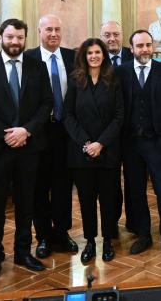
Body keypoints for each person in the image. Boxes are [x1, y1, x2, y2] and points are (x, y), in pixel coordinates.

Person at [0, 18, 53, 285]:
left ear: (25, 38)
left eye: (19, 37)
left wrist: (25, 131)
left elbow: (46, 104)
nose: (15, 42)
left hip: (29, 147)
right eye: (10, 37)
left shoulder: (37, 67)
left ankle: (22, 253)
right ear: (1, 37)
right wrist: (7, 133)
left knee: (26, 204)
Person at [115, 30, 161, 257]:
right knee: (136, 191)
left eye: (147, 45)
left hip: (158, 141)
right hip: (131, 143)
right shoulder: (121, 72)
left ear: (153, 46)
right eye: (139, 46)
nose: (144, 49)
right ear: (131, 48)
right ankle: (143, 235)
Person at [62, 38, 124, 264]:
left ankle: (107, 240)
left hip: (107, 151)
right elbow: (68, 115)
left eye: (98, 52)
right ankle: (90, 241)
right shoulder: (76, 80)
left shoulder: (114, 80)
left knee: (108, 199)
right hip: (81, 152)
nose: (94, 56)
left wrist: (101, 144)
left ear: (104, 55)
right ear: (84, 56)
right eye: (90, 53)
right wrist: (86, 143)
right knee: (87, 200)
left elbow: (119, 117)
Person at [24, 14, 78, 259]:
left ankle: (62, 233)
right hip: (37, 133)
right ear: (39, 31)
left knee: (63, 187)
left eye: (57, 29)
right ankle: (43, 236)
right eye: (49, 30)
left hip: (65, 133)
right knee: (38, 187)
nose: (54, 34)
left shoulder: (72, 57)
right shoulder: (28, 59)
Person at [100, 19, 134, 236]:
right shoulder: (94, 59)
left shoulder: (134, 56)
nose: (112, 39)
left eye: (116, 34)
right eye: (107, 35)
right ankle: (111, 223)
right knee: (110, 182)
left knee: (132, 179)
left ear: (122, 36)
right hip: (107, 132)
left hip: (131, 131)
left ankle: (133, 221)